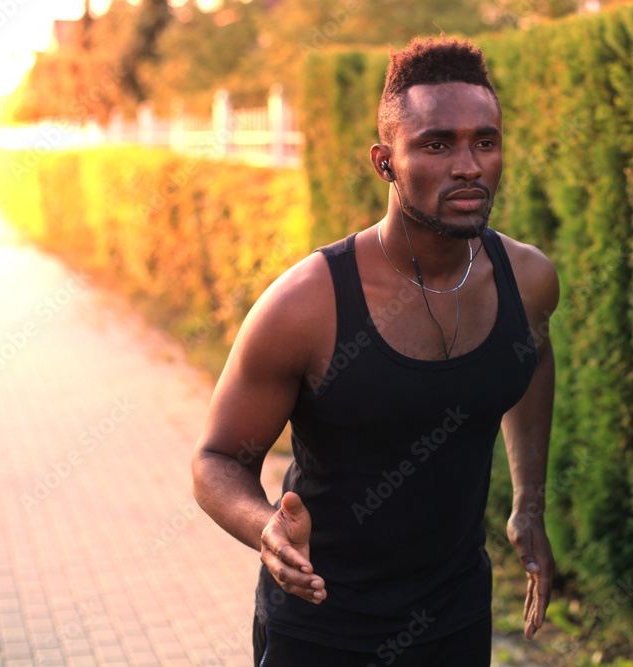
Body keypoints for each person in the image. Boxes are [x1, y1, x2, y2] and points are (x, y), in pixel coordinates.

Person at [191, 34, 559, 666]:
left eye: (485, 141)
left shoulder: (527, 281)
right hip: (322, 627)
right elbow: (216, 459)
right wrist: (265, 529)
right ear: (385, 162)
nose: (468, 166)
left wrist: (528, 503)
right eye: (437, 145)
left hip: (458, 618)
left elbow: (531, 360)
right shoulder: (307, 305)